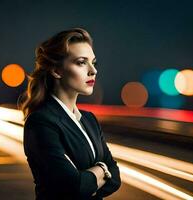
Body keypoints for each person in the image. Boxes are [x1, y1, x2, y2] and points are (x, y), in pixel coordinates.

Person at [20, 28, 121, 200]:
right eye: (82, 62)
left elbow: (116, 179)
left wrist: (91, 178)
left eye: (93, 63)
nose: (93, 71)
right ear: (56, 70)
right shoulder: (41, 122)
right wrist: (103, 169)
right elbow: (74, 188)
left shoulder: (89, 119)